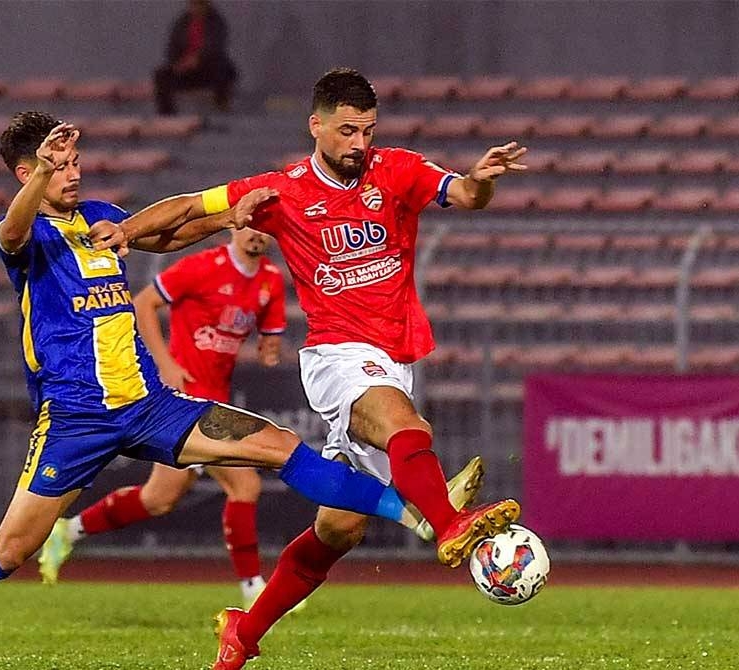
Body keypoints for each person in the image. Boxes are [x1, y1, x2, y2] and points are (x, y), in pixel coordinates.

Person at [0, 110, 471, 669]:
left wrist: (226, 219)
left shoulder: (99, 217)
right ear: (29, 172)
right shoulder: (26, 238)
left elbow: (165, 239)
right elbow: (10, 228)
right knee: (9, 550)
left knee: (279, 446)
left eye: (75, 162)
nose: (73, 173)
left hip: (150, 406)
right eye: (58, 165)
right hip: (75, 419)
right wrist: (41, 178)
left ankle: (422, 516)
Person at [90, 68, 527, 670]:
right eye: (347, 131)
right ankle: (449, 522)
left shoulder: (397, 170)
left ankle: (245, 629)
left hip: (392, 356)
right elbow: (189, 209)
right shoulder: (281, 189)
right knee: (408, 428)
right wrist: (127, 232)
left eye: (367, 131)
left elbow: (466, 195)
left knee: (338, 531)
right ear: (315, 125)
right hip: (338, 356)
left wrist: (481, 181)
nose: (358, 144)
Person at [36, 227, 288, 610]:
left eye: (263, 228)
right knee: (246, 485)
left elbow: (270, 336)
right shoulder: (202, 267)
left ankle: (68, 531)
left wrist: (270, 349)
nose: (256, 234)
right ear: (233, 227)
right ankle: (255, 589)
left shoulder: (270, 279)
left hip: (216, 395)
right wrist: (165, 363)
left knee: (159, 499)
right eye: (248, 225)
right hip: (185, 399)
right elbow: (143, 303)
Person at [154, 0, 237, 115]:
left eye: (200, 4)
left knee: (221, 68)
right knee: (161, 75)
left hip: (208, 69)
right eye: (194, 4)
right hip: (186, 71)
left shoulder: (216, 22)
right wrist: (177, 63)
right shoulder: (182, 22)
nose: (197, 8)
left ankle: (221, 104)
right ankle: (166, 114)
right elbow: (172, 47)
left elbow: (216, 46)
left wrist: (198, 59)